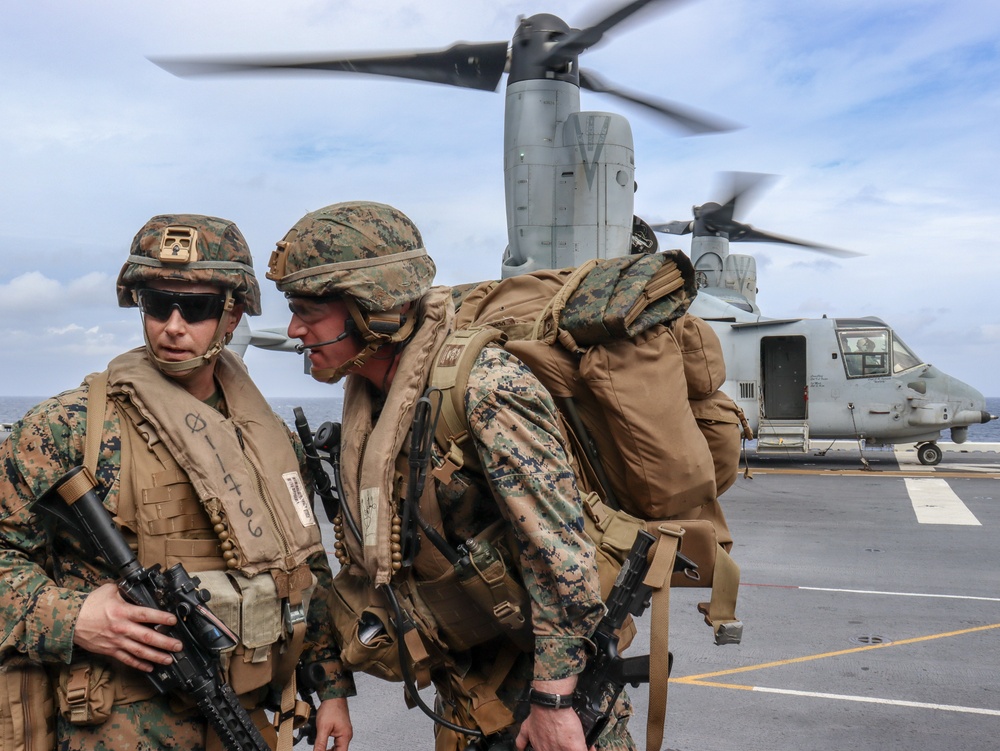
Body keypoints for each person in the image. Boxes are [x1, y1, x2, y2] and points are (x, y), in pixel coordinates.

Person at [266, 200, 634, 751]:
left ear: (373, 308)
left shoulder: (486, 387)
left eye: (309, 313)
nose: (294, 330)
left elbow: (560, 551)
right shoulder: (374, 395)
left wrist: (555, 700)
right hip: (469, 689)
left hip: (548, 696)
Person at [0, 214, 354, 751]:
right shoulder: (69, 427)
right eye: (157, 304)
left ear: (232, 314)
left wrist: (329, 687)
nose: (172, 324)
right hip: (117, 727)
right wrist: (72, 617)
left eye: (197, 308)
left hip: (248, 716)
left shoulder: (268, 438)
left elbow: (304, 565)